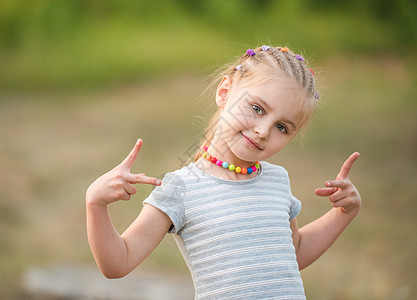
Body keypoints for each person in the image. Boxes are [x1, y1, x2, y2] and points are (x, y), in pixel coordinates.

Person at [86, 45, 361, 299]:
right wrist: (96, 204)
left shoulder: (277, 180)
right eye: (257, 108)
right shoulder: (181, 188)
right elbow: (118, 262)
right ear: (224, 92)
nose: (263, 131)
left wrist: (343, 213)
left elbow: (293, 253)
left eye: (282, 127)